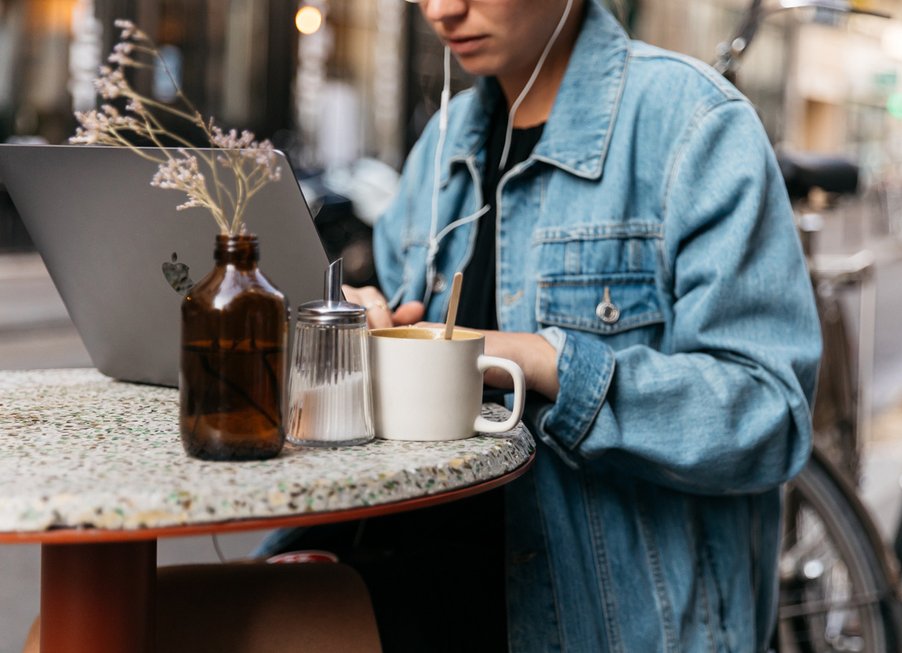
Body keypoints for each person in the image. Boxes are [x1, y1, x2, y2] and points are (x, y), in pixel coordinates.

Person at [285, 0, 821, 650]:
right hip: (410, 587)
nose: (441, 11)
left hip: (602, 622)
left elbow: (769, 416)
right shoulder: (443, 147)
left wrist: (542, 361)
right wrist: (361, 335)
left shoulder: (693, 124)